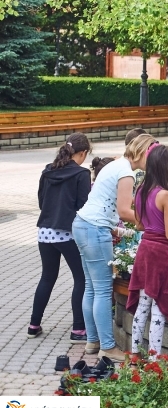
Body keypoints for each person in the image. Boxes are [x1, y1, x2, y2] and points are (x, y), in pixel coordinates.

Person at [72, 133, 156, 362]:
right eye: (152, 153)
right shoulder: (126, 172)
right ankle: (108, 347)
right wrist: (151, 223)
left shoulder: (116, 164)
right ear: (143, 152)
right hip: (95, 229)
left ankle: (92, 341)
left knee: (91, 287)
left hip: (82, 225)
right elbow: (124, 211)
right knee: (102, 290)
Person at [126, 145, 168, 358]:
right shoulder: (166, 194)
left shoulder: (141, 190)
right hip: (162, 255)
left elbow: (138, 226)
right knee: (159, 309)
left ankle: (135, 354)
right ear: (165, 166)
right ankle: (154, 358)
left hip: (145, 252)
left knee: (142, 307)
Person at [30, 133, 91, 341]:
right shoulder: (82, 174)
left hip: (44, 232)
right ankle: (78, 330)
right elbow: (84, 206)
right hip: (67, 233)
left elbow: (41, 201)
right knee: (81, 278)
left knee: (47, 276)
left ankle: (33, 325)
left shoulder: (47, 171)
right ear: (82, 153)